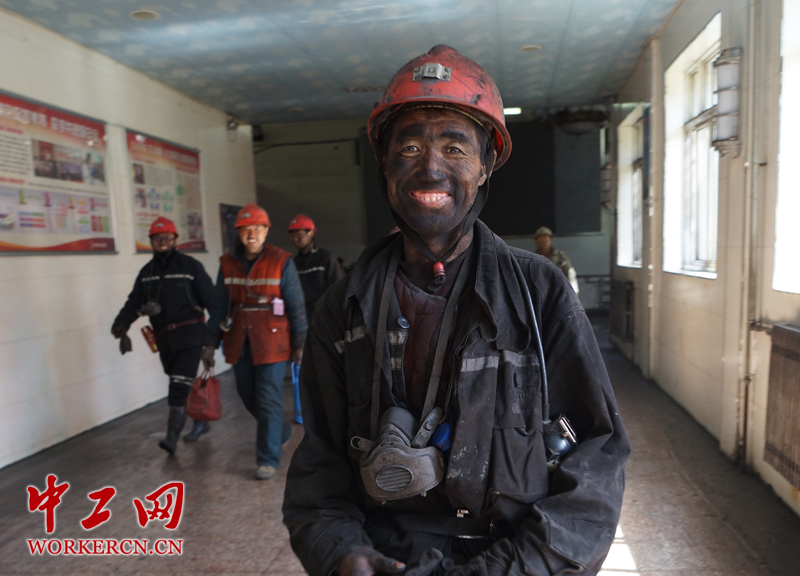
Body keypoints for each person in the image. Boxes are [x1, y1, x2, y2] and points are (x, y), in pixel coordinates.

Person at [282, 45, 630, 576]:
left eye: (455, 147)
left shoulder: (539, 293)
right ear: (384, 163)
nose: (430, 168)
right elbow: (319, 469)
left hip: (513, 556)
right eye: (409, 147)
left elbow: (596, 456)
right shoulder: (343, 309)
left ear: (486, 166)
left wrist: (512, 568)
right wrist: (343, 554)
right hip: (387, 555)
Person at [202, 203, 307, 480]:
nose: (252, 234)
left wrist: (299, 343)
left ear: (266, 231)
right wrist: (209, 343)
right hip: (239, 339)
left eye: (257, 228)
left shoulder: (281, 260)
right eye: (246, 229)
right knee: (247, 394)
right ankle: (281, 432)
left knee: (268, 397)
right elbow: (218, 307)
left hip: (273, 340)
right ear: (238, 232)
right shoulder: (227, 263)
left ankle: (267, 458)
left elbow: (296, 305)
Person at [111, 216, 214, 455]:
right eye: (158, 238)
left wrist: (213, 338)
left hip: (190, 335)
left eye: (167, 237)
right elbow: (134, 301)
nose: (163, 242)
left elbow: (212, 300)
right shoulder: (146, 273)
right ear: (151, 241)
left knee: (178, 385)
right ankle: (201, 422)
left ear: (176, 239)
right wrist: (121, 325)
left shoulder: (191, 267)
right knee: (181, 381)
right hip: (163, 338)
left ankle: (171, 439)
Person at [288, 214, 343, 324]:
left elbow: (338, 290)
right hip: (301, 318)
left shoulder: (326, 258)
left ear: (311, 233)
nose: (295, 238)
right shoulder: (293, 262)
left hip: (323, 318)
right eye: (292, 235)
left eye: (299, 234)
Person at [534, 226, 579, 294]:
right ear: (536, 241)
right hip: (541, 290)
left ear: (550, 239)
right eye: (540, 239)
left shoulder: (559, 255)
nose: (543, 241)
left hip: (558, 289)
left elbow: (570, 272)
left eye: (545, 238)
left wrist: (573, 291)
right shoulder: (534, 257)